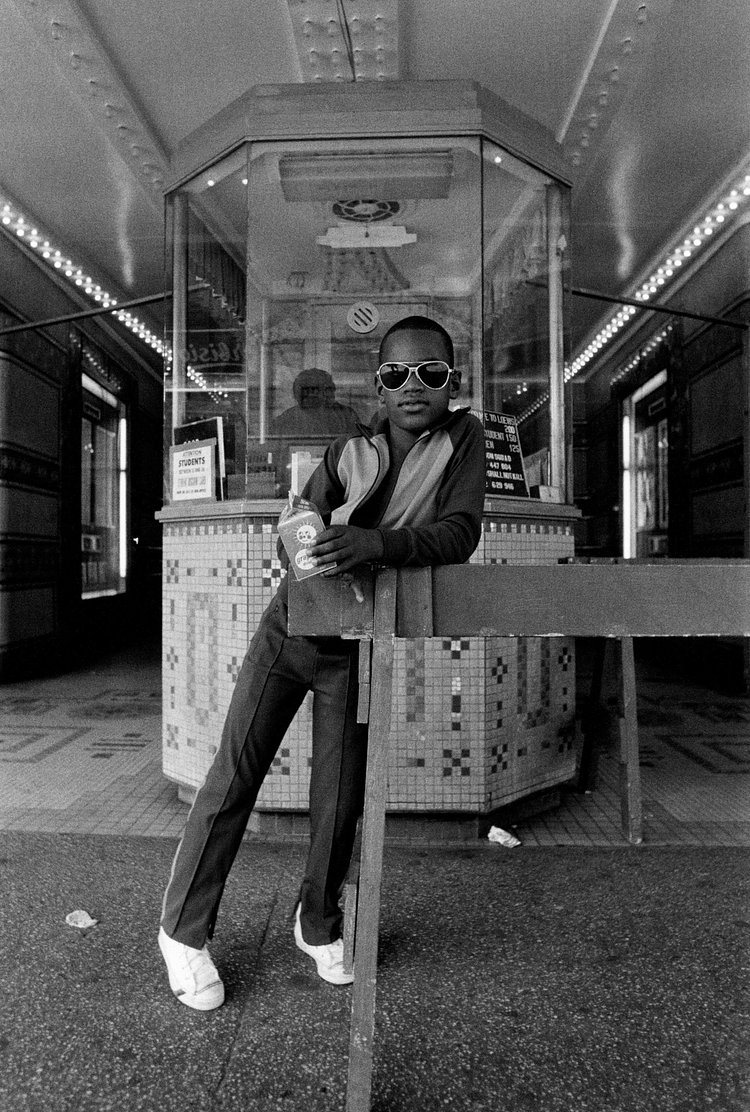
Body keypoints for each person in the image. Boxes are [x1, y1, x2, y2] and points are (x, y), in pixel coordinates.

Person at [158, 315, 486, 1010]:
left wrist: (372, 545)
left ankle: (318, 924)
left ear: (452, 381)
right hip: (293, 630)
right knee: (235, 775)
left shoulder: (465, 440)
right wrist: (305, 537)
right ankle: (182, 931)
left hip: (359, 644)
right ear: (379, 384)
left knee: (340, 799)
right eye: (397, 374)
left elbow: (460, 534)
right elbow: (299, 524)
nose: (413, 385)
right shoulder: (347, 450)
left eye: (430, 372)